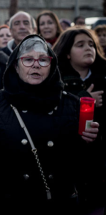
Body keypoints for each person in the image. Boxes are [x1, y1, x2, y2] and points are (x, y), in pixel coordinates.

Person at [0, 34, 99, 214]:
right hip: (9, 206)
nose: (36, 64)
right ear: (15, 66)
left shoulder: (71, 104)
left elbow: (88, 166)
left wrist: (90, 141)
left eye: (43, 60)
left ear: (51, 66)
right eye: (28, 59)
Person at [52, 27, 106, 215]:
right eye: (80, 45)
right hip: (68, 162)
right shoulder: (55, 80)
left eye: (91, 44)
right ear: (67, 53)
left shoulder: (103, 76)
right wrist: (83, 98)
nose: (88, 48)